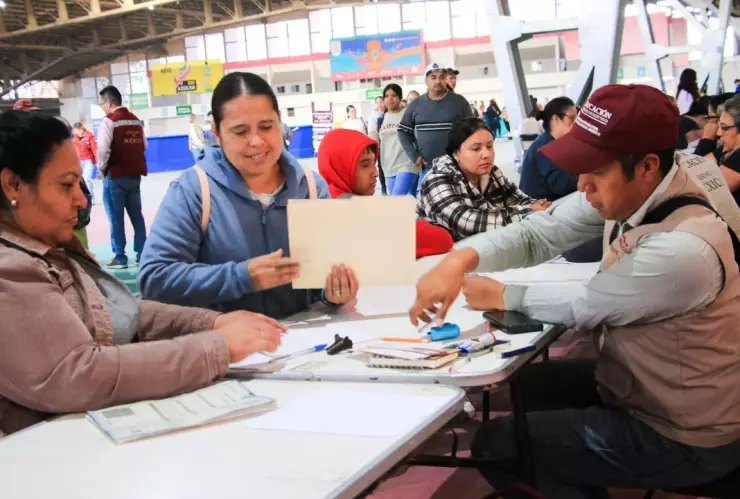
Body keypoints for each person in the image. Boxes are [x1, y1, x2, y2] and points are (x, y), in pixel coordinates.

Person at [409, 84, 740, 499]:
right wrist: (458, 260)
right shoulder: (645, 184)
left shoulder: (683, 246)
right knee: (531, 385)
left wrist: (503, 295)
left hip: (687, 433)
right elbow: (539, 233)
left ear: (646, 166)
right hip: (648, 383)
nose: (582, 185)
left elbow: (588, 304)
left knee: (498, 445)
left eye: (596, 170)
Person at [0, 110, 286, 436]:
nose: (81, 199)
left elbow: (123, 314)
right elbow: (77, 374)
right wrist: (216, 343)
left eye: (267, 127)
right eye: (66, 185)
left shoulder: (52, 250)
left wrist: (211, 323)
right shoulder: (12, 270)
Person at [138, 72, 358, 318]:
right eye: (240, 131)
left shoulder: (311, 188)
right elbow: (154, 278)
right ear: (217, 134)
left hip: (301, 345)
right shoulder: (194, 190)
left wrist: (333, 292)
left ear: (279, 121)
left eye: (266, 127)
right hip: (228, 347)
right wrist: (240, 277)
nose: (256, 141)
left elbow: (321, 274)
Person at [318, 128, 453, 259]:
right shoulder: (355, 211)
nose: (376, 173)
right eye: (364, 165)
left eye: (374, 164)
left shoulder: (321, 202)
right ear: (340, 166)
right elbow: (441, 240)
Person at [416, 117, 549, 242]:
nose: (486, 154)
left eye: (490, 146)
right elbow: (465, 222)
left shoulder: (492, 173)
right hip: (436, 259)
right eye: (476, 148)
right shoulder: (438, 178)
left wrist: (540, 206)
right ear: (456, 153)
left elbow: (519, 199)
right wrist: (530, 210)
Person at [398, 63, 474, 189]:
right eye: (433, 77)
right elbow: (403, 131)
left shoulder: (460, 102)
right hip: (428, 169)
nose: (438, 81)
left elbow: (472, 130)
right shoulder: (415, 105)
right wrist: (414, 156)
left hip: (456, 168)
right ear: (426, 81)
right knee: (428, 206)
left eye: (442, 77)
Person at [97, 85, 148, 269]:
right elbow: (144, 145)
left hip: (115, 176)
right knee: (137, 216)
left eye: (102, 103)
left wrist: (101, 170)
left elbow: (103, 150)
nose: (102, 107)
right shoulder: (135, 120)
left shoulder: (108, 121)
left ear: (109, 103)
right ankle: (143, 253)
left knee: (116, 218)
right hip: (134, 176)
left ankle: (120, 257)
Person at [519, 97, 579, 201]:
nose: (576, 123)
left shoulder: (551, 141)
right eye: (572, 118)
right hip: (538, 208)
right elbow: (561, 186)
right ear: (556, 119)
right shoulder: (546, 148)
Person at [371, 84, 419, 197]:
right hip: (388, 166)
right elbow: (374, 140)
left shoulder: (408, 114)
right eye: (386, 96)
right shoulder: (380, 119)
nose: (390, 99)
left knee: (395, 199)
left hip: (407, 163)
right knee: (406, 202)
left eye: (394, 95)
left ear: (400, 97)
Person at [709, 94, 740, 206]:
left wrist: (706, 141)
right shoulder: (727, 147)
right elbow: (696, 167)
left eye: (725, 128)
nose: (718, 133)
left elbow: (709, 193)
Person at [72, 122, 98, 205]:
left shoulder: (89, 136)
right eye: (76, 131)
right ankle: (83, 198)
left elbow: (94, 149)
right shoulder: (74, 138)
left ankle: (90, 198)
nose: (78, 132)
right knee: (80, 180)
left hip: (88, 161)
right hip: (78, 161)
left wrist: (97, 161)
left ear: (82, 128)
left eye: (79, 130)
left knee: (87, 179)